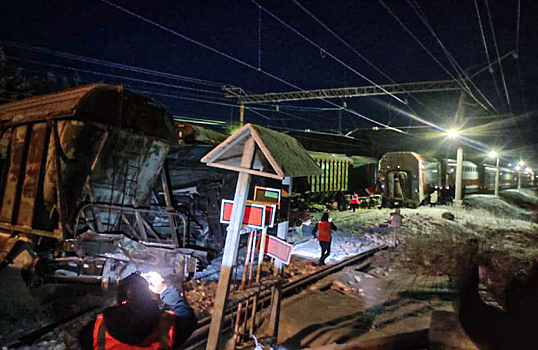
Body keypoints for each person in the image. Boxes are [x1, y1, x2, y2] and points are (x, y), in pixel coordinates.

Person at [78, 272, 196, 350]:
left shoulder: (96, 329)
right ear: (147, 297)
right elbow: (187, 316)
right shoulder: (166, 325)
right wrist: (165, 290)